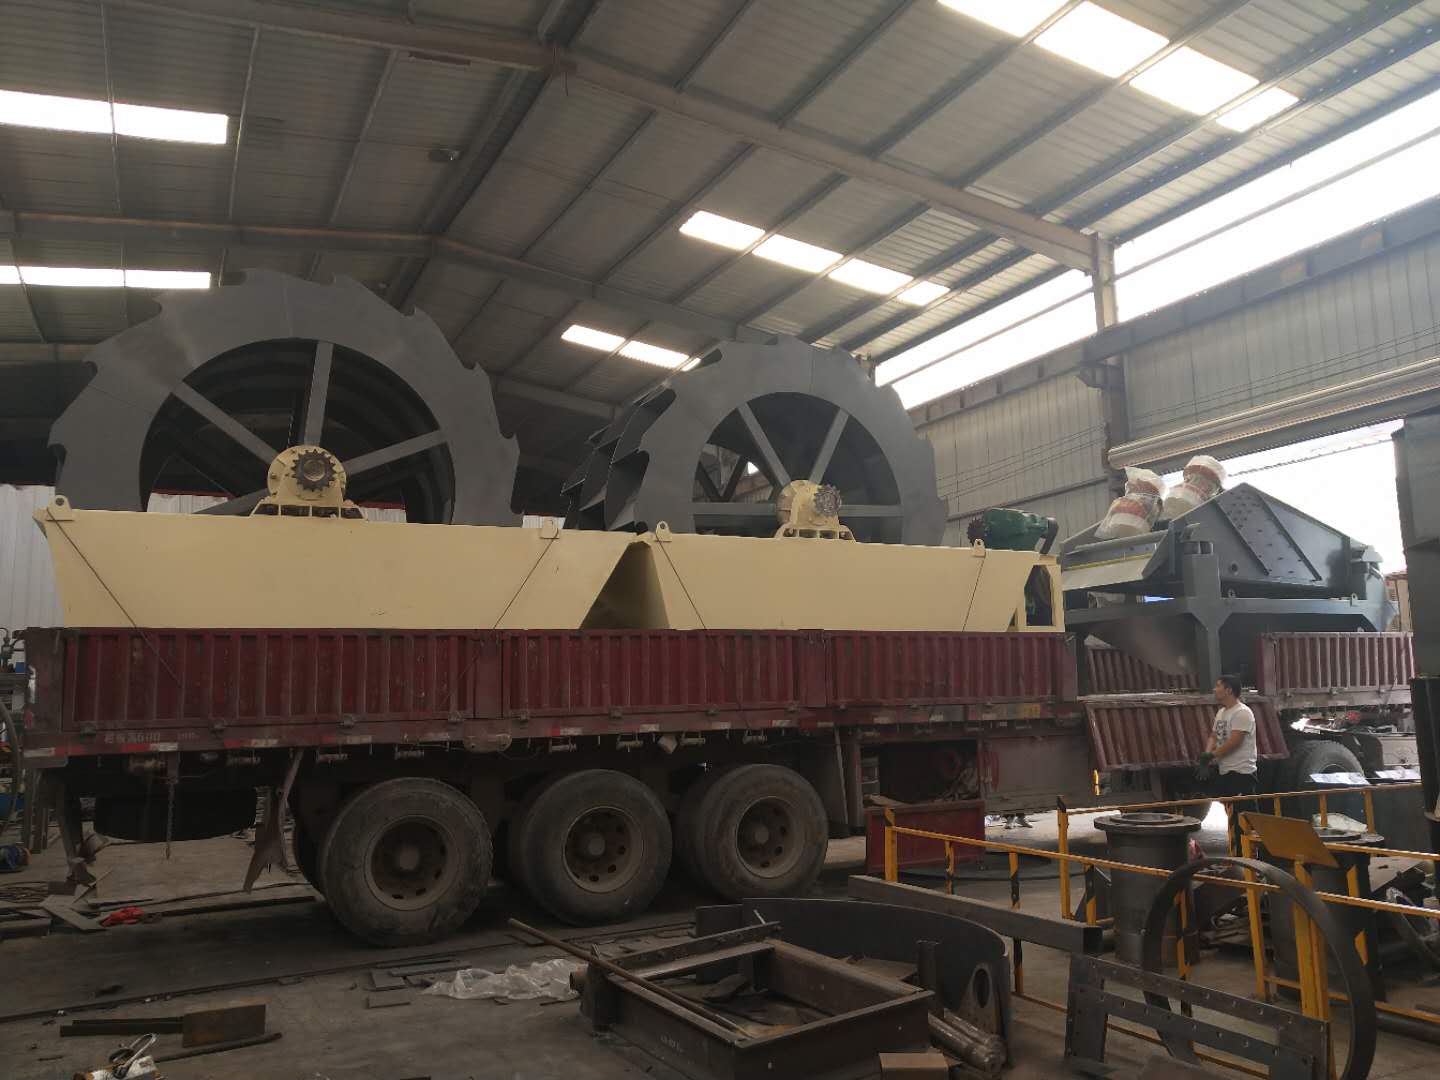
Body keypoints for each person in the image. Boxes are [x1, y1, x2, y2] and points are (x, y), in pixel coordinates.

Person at [1198, 674, 1258, 851]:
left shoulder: (1242, 713)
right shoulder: (1222, 712)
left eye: (1218, 686)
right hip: (1226, 771)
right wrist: (1206, 755)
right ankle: (1236, 856)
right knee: (1232, 817)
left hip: (1242, 774)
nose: (1214, 689)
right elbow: (1214, 736)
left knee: (1243, 820)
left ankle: (1249, 858)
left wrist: (1212, 755)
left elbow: (1235, 741)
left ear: (1229, 690)